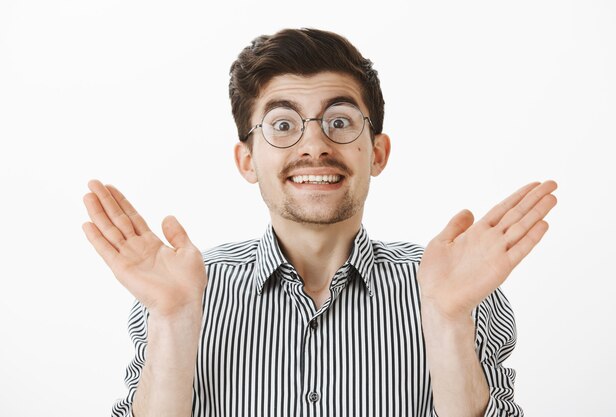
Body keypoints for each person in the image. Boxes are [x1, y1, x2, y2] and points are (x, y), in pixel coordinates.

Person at [82, 28, 557, 417]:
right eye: (283, 125)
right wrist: (172, 322)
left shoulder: (460, 288)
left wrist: (450, 321)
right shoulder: (182, 292)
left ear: (377, 152)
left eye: (340, 120)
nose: (314, 146)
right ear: (248, 161)